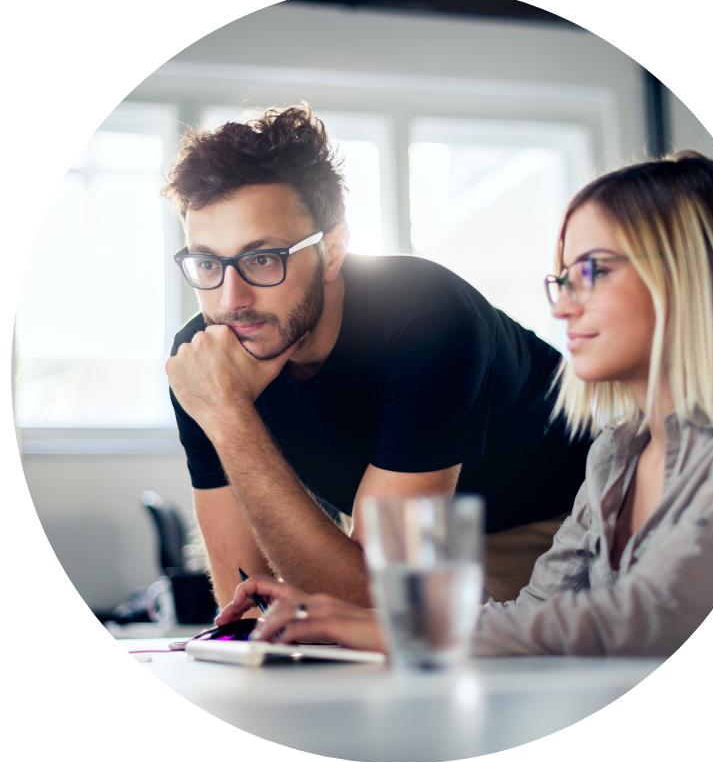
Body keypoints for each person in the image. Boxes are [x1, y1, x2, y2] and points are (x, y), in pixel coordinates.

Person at [216, 151, 713, 657]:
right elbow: (535, 607)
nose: (563, 306)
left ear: (691, 278)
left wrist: (392, 631)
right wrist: (343, 618)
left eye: (593, 271)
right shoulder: (618, 453)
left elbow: (649, 616)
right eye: (563, 279)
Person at [163, 104, 591, 612]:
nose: (231, 299)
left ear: (334, 251)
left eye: (262, 258)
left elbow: (378, 604)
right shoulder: (204, 357)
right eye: (208, 263)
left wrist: (230, 418)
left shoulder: (426, 321)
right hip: (392, 530)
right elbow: (246, 598)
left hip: (545, 523)